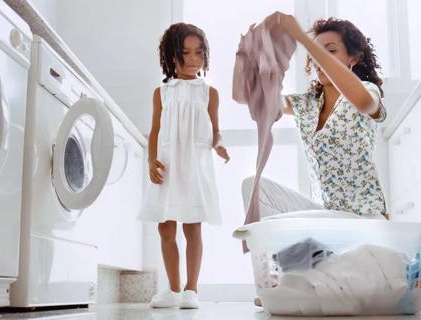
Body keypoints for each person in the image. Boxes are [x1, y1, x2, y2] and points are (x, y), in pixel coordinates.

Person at [243, 13, 388, 233]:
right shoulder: (307, 105)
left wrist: (301, 36)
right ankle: (270, 267)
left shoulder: (367, 92)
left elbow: (364, 102)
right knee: (253, 187)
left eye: (329, 51)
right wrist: (256, 53)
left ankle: (295, 257)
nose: (318, 60)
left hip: (364, 219)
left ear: (354, 58)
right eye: (314, 54)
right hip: (327, 219)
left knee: (292, 235)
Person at [139, 22, 230, 309]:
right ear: (171, 56)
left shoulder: (209, 93)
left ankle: (192, 288)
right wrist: (151, 161)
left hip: (195, 166)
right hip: (167, 165)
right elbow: (154, 131)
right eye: (185, 53)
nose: (193, 59)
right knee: (165, 228)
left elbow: (215, 130)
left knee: (193, 227)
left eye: (199, 53)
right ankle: (173, 289)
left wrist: (220, 145)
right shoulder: (162, 93)